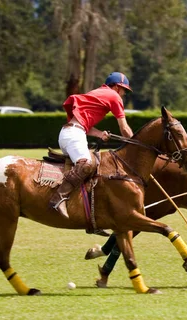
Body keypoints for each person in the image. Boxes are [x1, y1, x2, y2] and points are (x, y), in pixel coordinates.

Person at [49, 72, 135, 218]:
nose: (124, 94)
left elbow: (85, 125)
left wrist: (100, 134)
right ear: (116, 87)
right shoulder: (114, 96)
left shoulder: (97, 93)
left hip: (69, 133)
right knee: (86, 164)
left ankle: (92, 213)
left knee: (97, 169)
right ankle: (58, 198)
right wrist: (135, 144)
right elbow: (124, 128)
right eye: (123, 90)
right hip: (74, 136)